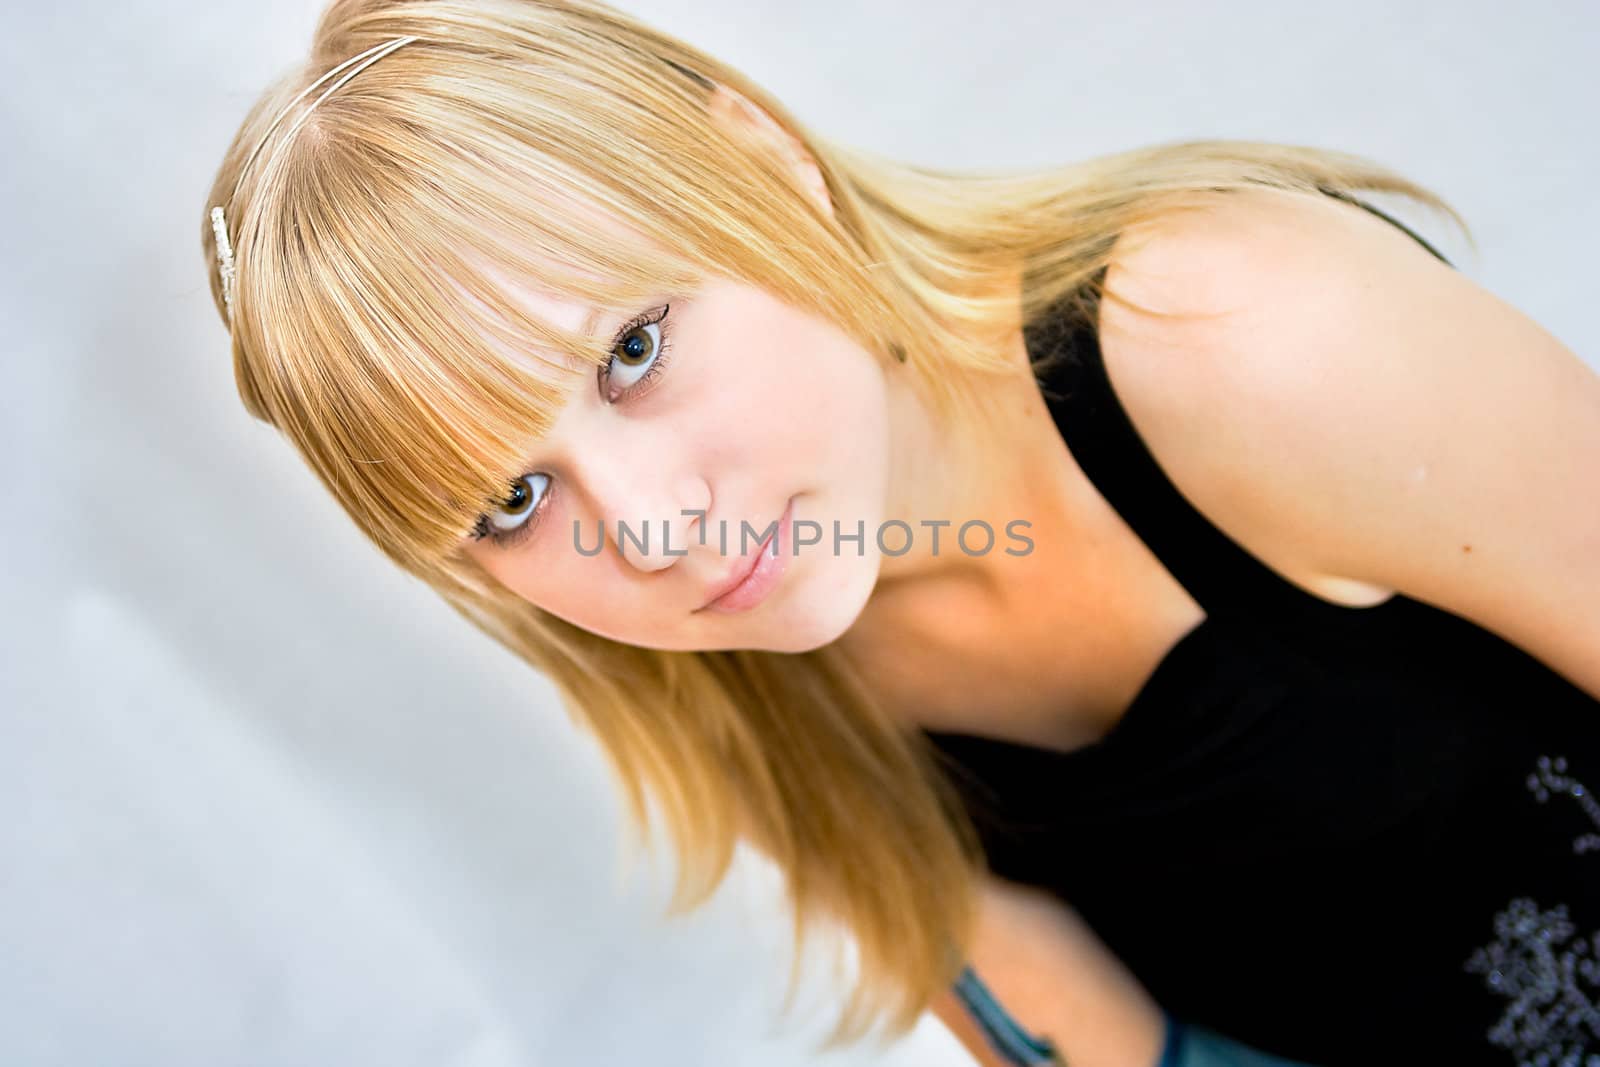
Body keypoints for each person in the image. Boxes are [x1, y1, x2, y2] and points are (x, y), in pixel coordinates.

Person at [199, 1, 1600, 1063]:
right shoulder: (752, 713)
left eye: (631, 350)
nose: (649, 532)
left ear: (762, 167)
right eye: (510, 500)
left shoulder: (1236, 339)